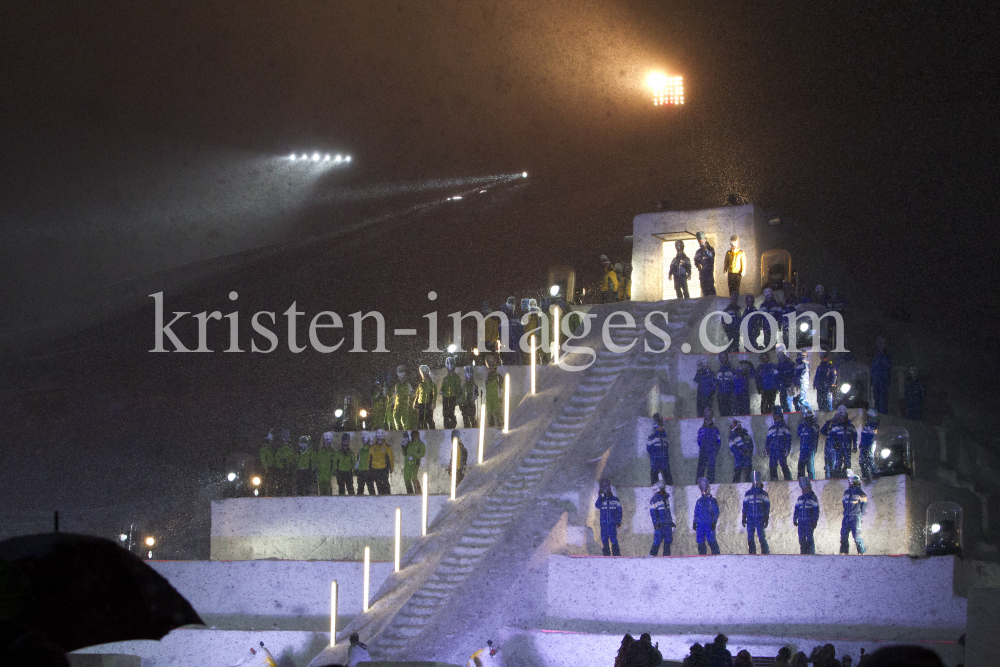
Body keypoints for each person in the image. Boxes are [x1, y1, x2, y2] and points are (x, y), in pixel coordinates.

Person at [821, 406, 858, 478]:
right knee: (837, 463)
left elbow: (855, 436)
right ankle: (836, 476)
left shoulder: (851, 427)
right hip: (838, 448)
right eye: (840, 417)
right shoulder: (835, 427)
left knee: (847, 463)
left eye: (843, 417)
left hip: (847, 448)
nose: (842, 418)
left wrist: (855, 445)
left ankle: (845, 476)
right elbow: (829, 434)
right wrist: (834, 444)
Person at [742, 471, 771, 554]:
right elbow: (745, 506)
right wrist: (744, 516)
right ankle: (752, 554)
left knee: (761, 536)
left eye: (758, 479)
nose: (756, 481)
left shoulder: (763, 494)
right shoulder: (748, 493)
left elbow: (767, 506)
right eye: (754, 479)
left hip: (760, 518)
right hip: (750, 518)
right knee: (750, 537)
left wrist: (766, 517)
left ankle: (765, 553)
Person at [841, 470, 867, 554]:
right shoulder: (846, 492)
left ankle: (861, 552)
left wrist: (859, 515)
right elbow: (844, 503)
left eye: (852, 482)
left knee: (857, 537)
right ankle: (844, 553)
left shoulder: (861, 494)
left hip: (855, 517)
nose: (850, 483)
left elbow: (864, 506)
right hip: (846, 517)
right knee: (843, 536)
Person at [595, 479, 623, 556]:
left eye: (607, 486)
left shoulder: (615, 499)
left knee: (613, 540)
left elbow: (619, 511)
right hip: (603, 524)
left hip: (612, 524)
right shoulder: (601, 499)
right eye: (604, 487)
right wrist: (600, 496)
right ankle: (606, 556)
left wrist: (618, 521)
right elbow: (597, 506)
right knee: (604, 540)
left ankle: (616, 555)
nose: (606, 488)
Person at [648, 480, 675, 556]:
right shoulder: (654, 500)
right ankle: (652, 555)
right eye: (662, 489)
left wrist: (670, 521)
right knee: (657, 541)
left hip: (667, 524)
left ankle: (666, 557)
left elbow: (668, 512)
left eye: (664, 489)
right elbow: (653, 513)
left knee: (668, 541)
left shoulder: (666, 499)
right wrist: (655, 523)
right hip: (660, 525)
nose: (664, 491)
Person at [694, 477, 721, 555]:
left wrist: (714, 522)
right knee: (700, 541)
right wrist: (694, 522)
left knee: (711, 541)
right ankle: (702, 556)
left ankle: (716, 556)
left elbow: (716, 512)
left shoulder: (712, 501)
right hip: (700, 524)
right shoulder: (699, 501)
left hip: (709, 523)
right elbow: (696, 512)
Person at [793, 477, 820, 554]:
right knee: (801, 539)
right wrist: (795, 519)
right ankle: (803, 553)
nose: (804, 490)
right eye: (803, 488)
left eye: (806, 488)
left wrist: (815, 521)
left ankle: (811, 553)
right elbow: (796, 509)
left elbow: (816, 510)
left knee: (809, 538)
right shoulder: (800, 498)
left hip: (809, 521)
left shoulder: (813, 498)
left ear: (809, 487)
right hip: (801, 521)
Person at [765, 408, 793, 481]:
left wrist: (787, 449)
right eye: (774, 416)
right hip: (773, 449)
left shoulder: (785, 427)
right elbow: (768, 440)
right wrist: (767, 448)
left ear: (780, 415)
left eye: (777, 416)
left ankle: (788, 479)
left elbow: (789, 440)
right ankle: (774, 480)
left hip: (781, 449)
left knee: (783, 465)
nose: (776, 418)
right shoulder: (771, 428)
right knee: (772, 465)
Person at [646, 413, 673, 485]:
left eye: (662, 426)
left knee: (667, 474)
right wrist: (655, 456)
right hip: (655, 461)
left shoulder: (665, 437)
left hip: (664, 460)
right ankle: (654, 487)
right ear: (656, 427)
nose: (662, 428)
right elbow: (649, 449)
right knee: (654, 474)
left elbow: (667, 446)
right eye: (660, 426)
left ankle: (669, 486)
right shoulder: (652, 438)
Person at [696, 409, 721, 483]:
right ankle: (699, 483)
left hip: (712, 452)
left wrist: (715, 450)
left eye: (709, 415)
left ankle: (711, 483)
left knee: (711, 469)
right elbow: (699, 441)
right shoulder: (701, 430)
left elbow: (719, 441)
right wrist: (703, 448)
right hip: (703, 452)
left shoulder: (715, 430)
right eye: (706, 414)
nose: (708, 416)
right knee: (701, 468)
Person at [871, 336, 892, 415]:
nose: (881, 345)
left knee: (883, 401)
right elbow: (872, 370)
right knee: (876, 400)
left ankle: (883, 417)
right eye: (880, 343)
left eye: (883, 343)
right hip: (876, 381)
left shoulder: (887, 357)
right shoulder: (875, 357)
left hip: (884, 382)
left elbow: (888, 367)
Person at [440, 357, 463, 430]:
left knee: (451, 412)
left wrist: (457, 397)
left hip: (453, 397)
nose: (450, 370)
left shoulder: (456, 378)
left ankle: (452, 425)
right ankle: (446, 425)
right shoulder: (445, 378)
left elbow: (458, 389)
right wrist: (442, 391)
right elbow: (443, 387)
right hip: (445, 397)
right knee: (445, 412)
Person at [369, 429, 394, 494]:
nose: (379, 441)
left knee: (385, 482)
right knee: (378, 483)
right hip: (375, 468)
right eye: (378, 439)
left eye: (380, 439)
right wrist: (369, 468)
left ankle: (387, 494)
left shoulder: (387, 447)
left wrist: (391, 467)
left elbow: (390, 457)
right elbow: (369, 458)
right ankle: (380, 495)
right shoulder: (373, 447)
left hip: (384, 468)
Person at [797, 409, 820, 479]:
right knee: (800, 467)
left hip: (810, 449)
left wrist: (808, 424)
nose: (808, 420)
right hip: (803, 449)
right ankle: (801, 482)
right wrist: (801, 424)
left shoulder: (815, 426)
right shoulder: (803, 426)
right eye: (807, 418)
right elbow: (799, 434)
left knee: (810, 468)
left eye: (810, 418)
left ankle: (812, 482)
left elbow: (815, 433)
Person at [413, 365, 438, 430]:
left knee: (429, 418)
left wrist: (433, 403)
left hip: (428, 403)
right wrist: (415, 402)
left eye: (425, 374)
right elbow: (417, 394)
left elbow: (434, 394)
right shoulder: (420, 384)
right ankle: (424, 430)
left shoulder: (432, 384)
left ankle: (432, 430)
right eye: (423, 374)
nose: (424, 375)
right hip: (421, 403)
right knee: (421, 419)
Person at [392, 365, 416, 430]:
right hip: (397, 405)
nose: (401, 378)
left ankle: (406, 432)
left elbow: (412, 393)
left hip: (404, 404)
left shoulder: (407, 384)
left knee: (405, 421)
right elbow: (394, 394)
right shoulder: (396, 385)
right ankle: (398, 431)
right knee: (396, 418)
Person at [729, 418, 754, 483]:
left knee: (748, 476)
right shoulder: (732, 436)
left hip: (747, 459)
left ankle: (748, 487)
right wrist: (741, 452)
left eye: (734, 424)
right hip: (739, 459)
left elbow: (751, 445)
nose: (732, 426)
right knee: (737, 475)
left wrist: (748, 452)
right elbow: (732, 448)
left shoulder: (746, 435)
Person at [402, 430, 425, 494]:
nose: (415, 437)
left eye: (416, 436)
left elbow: (422, 453)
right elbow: (404, 454)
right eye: (413, 436)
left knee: (414, 477)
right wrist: (403, 447)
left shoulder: (420, 444)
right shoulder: (409, 444)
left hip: (415, 464)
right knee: (406, 478)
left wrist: (414, 456)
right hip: (407, 464)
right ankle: (410, 492)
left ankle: (418, 492)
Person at [858, 409, 879, 480]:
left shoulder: (873, 426)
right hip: (864, 445)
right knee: (862, 461)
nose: (868, 417)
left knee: (869, 459)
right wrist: (861, 443)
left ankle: (874, 473)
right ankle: (865, 474)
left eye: (869, 416)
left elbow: (871, 437)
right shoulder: (867, 425)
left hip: (868, 446)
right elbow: (863, 435)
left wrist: (868, 445)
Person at [694, 231, 716, 296]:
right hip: (702, 275)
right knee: (704, 291)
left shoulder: (711, 249)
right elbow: (695, 261)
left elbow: (711, 256)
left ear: (705, 239)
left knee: (711, 291)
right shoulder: (698, 252)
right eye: (699, 241)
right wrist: (698, 265)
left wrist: (705, 250)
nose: (700, 242)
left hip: (709, 275)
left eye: (701, 240)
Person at [484, 356, 503, 427]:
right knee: (489, 414)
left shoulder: (498, 377)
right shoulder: (487, 378)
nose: (490, 370)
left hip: (496, 398)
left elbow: (502, 388)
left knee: (497, 412)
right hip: (489, 399)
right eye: (489, 369)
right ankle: (491, 427)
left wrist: (501, 397)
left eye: (491, 368)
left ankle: (501, 425)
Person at [274, 429, 295, 496]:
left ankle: (289, 494)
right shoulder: (280, 449)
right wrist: (281, 461)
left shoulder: (290, 448)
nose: (285, 440)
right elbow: (277, 457)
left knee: (288, 482)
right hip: (281, 468)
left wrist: (288, 462)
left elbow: (292, 457)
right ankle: (279, 494)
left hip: (288, 467)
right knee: (280, 482)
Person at [776, 345, 796, 412]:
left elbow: (793, 374)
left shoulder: (790, 363)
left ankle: (788, 414)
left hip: (788, 385)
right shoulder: (780, 363)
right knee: (783, 402)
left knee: (787, 401)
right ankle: (786, 413)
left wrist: (791, 384)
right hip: (783, 385)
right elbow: (779, 375)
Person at [716, 351, 736, 416]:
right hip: (721, 395)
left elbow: (735, 383)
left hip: (729, 395)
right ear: (719, 359)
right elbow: (716, 383)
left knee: (730, 413)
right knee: (722, 413)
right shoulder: (718, 371)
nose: (723, 359)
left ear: (727, 358)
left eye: (724, 357)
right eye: (721, 358)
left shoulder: (731, 370)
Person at [356, 431, 376, 495]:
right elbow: (358, 461)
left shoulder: (372, 450)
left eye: (366, 438)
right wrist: (356, 469)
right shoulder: (360, 451)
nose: (364, 440)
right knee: (360, 489)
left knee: (371, 489)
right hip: (361, 472)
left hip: (369, 472)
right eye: (363, 438)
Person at [259, 430, 276, 497]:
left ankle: (270, 493)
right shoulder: (264, 448)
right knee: (264, 481)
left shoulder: (270, 448)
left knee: (270, 481)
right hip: (266, 467)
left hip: (270, 467)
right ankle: (263, 494)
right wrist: (266, 467)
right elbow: (263, 459)